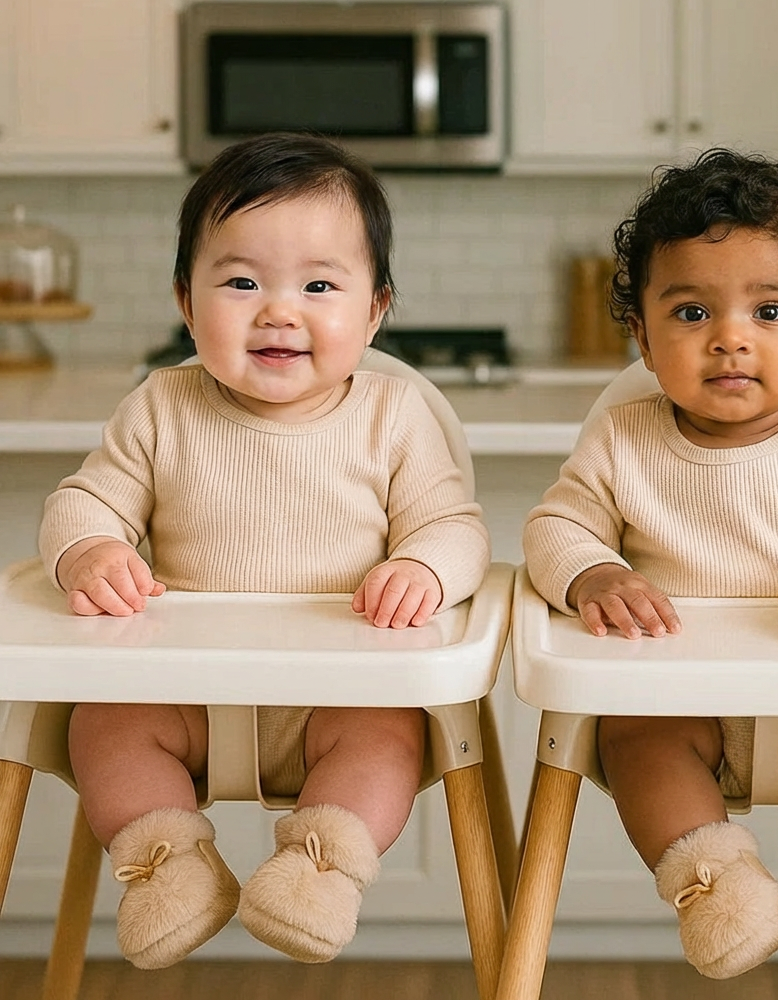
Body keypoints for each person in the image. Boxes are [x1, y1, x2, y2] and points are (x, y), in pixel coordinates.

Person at [38, 132, 490, 970]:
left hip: (342, 694)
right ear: (186, 301)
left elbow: (455, 526)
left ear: (375, 309)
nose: (279, 311)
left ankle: (320, 871)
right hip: (178, 692)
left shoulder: (392, 416)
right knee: (100, 725)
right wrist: (90, 550)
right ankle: (169, 867)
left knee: (390, 741)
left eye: (319, 285)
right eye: (241, 282)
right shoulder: (160, 407)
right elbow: (82, 500)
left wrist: (421, 567)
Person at [522, 149, 778, 982]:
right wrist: (594, 574)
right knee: (632, 740)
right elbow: (554, 525)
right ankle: (716, 885)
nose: (730, 339)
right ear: (641, 337)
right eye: (689, 313)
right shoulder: (623, 438)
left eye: (771, 310)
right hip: (684, 706)